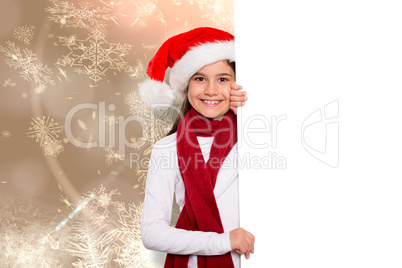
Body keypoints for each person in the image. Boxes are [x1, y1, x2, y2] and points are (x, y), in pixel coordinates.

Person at [140, 27, 254, 268]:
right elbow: (152, 232)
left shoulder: (254, 137)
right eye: (200, 78)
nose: (211, 90)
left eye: (223, 79)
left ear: (236, 85)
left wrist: (251, 112)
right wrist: (223, 241)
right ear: (186, 87)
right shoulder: (167, 148)